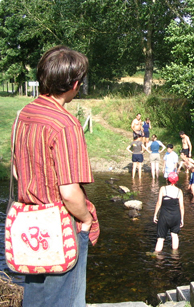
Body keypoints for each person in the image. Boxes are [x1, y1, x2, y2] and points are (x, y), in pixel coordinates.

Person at [11, 45, 100, 307]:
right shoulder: (66, 124)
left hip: (28, 228)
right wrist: (86, 220)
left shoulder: (24, 113)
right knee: (67, 299)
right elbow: (70, 192)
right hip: (59, 230)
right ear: (74, 84)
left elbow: (17, 171)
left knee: (36, 298)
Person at [153, 172, 184, 251]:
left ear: (167, 179)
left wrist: (155, 215)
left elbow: (159, 203)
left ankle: (157, 257)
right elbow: (181, 207)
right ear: (176, 181)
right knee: (174, 235)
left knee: (160, 238)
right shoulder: (179, 191)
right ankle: (175, 255)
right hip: (176, 216)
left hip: (164, 216)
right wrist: (182, 219)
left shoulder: (163, 189)